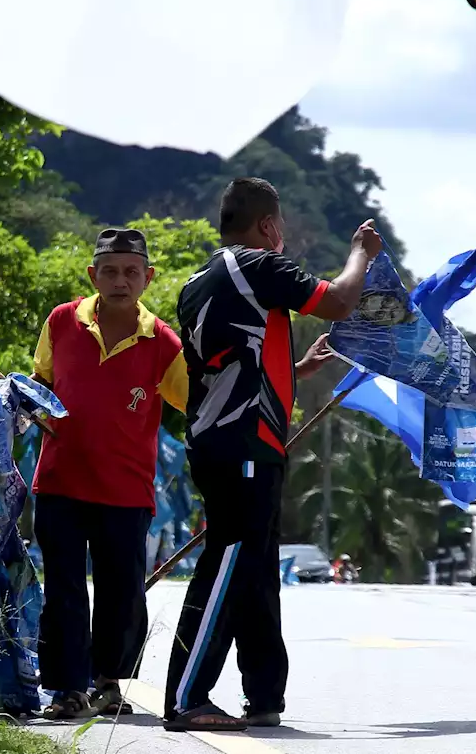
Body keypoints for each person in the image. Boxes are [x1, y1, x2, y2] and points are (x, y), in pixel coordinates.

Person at [163, 177, 381, 732]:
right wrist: (360, 253)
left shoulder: (197, 282)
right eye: (278, 227)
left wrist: (296, 370)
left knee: (256, 570)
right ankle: (186, 695)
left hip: (225, 440)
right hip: (243, 444)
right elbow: (335, 300)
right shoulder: (259, 264)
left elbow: (226, 364)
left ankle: (264, 695)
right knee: (228, 564)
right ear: (267, 226)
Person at [31, 228, 188, 719]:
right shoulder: (61, 321)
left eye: (131, 272)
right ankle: (67, 689)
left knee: (121, 593)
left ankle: (109, 683)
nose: (120, 280)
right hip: (59, 483)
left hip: (126, 491)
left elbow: (197, 404)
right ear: (92, 274)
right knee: (63, 590)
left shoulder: (164, 344)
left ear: (148, 277)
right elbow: (40, 382)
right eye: (110, 270)